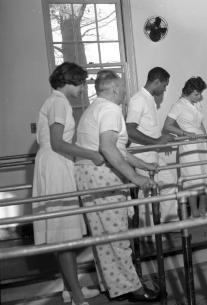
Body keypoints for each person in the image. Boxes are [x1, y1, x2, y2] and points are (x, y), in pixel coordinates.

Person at [75, 70, 159, 302]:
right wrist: (137, 178)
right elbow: (108, 149)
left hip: (90, 175)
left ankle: (113, 286)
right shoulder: (110, 110)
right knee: (117, 236)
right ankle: (132, 288)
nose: (124, 92)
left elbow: (119, 150)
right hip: (102, 176)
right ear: (113, 89)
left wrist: (144, 165)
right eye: (122, 88)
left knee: (103, 236)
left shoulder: (95, 108)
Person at [32, 62, 102, 305]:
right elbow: (57, 143)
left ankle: (69, 290)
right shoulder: (59, 102)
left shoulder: (55, 101)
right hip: (55, 165)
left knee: (64, 233)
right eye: (81, 83)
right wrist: (91, 154)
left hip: (55, 164)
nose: (83, 88)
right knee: (64, 237)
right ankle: (78, 297)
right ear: (69, 81)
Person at [126, 67, 179, 227]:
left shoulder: (148, 99)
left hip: (152, 152)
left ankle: (168, 223)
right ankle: (148, 233)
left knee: (169, 183)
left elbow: (146, 128)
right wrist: (156, 142)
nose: (164, 89)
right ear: (156, 82)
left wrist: (160, 140)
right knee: (147, 192)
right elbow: (130, 130)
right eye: (164, 85)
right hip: (142, 155)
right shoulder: (138, 99)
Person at [163, 77, 207, 217]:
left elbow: (201, 125)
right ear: (189, 91)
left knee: (205, 176)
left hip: (201, 143)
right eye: (197, 94)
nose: (200, 97)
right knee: (192, 178)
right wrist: (185, 133)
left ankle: (203, 209)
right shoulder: (178, 105)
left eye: (200, 93)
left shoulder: (196, 103)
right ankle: (195, 212)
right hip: (189, 145)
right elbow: (167, 126)